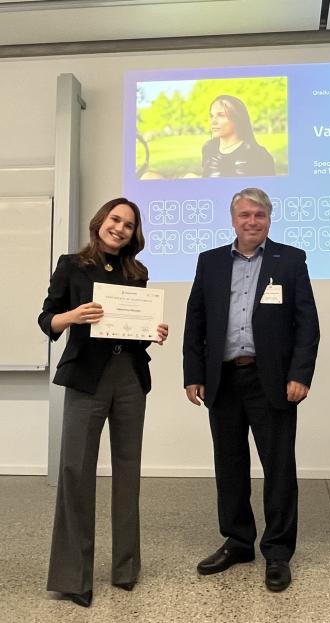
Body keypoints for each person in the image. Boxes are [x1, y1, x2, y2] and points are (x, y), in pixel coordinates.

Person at [183, 187, 319, 592]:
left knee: (278, 467)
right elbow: (196, 321)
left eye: (259, 215)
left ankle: (277, 551)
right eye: (244, 215)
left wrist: (300, 374)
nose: (252, 221)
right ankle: (239, 541)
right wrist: (193, 373)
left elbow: (306, 325)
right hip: (223, 378)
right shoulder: (210, 262)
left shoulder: (290, 260)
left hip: (271, 379)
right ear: (233, 219)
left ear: (269, 219)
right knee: (229, 464)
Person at [38, 197, 168, 608]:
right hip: (86, 378)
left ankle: (126, 569)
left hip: (129, 376)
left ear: (135, 233)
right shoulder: (71, 265)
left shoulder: (137, 271)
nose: (120, 228)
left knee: (128, 473)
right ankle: (73, 577)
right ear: (100, 222)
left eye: (129, 225)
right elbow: (48, 320)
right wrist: (72, 316)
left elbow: (134, 329)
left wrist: (154, 330)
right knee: (76, 472)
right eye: (116, 219)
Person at [202, 95, 276, 178]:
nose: (213, 122)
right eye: (212, 116)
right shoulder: (209, 148)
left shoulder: (258, 155)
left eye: (221, 115)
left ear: (237, 118)